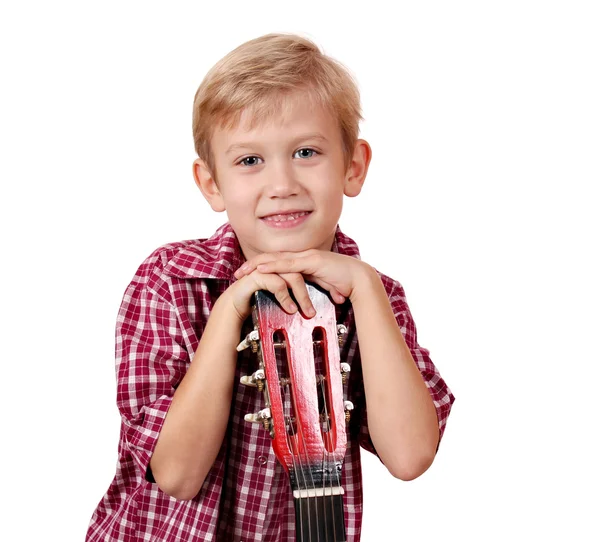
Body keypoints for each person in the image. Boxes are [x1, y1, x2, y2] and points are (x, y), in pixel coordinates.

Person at [86, 32, 455, 541]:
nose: (282, 183)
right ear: (211, 183)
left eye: (306, 151)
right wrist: (228, 313)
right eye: (249, 160)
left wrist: (367, 293)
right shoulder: (169, 281)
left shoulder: (375, 297)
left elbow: (411, 455)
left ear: (353, 166)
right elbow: (177, 474)